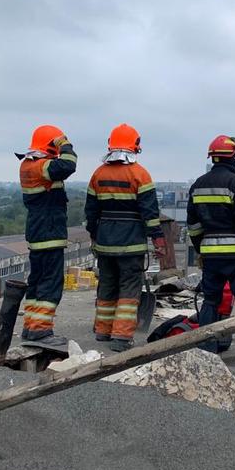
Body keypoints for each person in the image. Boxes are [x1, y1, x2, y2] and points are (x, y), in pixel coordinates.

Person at [187, 135, 235, 371]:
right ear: (233, 156)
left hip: (211, 255)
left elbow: (193, 226)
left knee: (210, 301)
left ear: (212, 157)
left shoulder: (198, 185)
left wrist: (201, 249)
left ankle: (206, 354)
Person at [85, 124, 166, 352]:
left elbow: (91, 212)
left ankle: (102, 330)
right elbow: (150, 214)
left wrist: (94, 235)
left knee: (107, 285)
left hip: (105, 243)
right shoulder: (140, 174)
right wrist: (158, 241)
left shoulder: (98, 174)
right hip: (131, 244)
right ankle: (121, 337)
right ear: (135, 146)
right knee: (129, 289)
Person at [16, 124, 77, 347]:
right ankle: (41, 331)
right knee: (50, 283)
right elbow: (69, 165)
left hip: (38, 231)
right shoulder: (42, 166)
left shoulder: (28, 164)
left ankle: (31, 327)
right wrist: (65, 143)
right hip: (49, 232)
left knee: (37, 283)